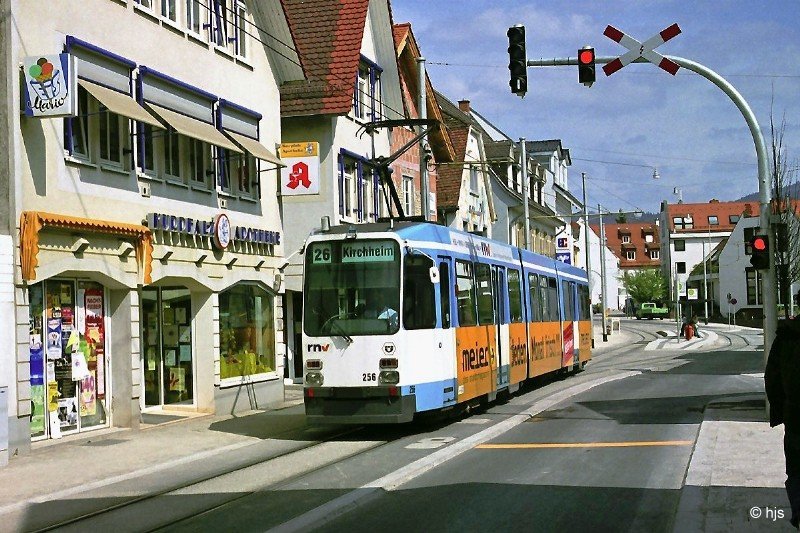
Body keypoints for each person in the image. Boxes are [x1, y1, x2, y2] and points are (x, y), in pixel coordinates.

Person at [766, 317, 800, 529]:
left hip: (795, 418)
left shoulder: (787, 334)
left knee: (796, 471)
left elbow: (772, 378)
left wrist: (782, 410)